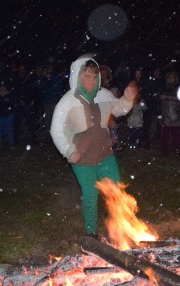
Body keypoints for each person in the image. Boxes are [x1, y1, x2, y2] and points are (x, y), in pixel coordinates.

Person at [50, 56, 137, 238]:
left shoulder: (103, 95)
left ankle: (122, 231)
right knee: (90, 196)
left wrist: (127, 100)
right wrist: (69, 150)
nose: (90, 81)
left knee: (116, 192)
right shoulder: (67, 102)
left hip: (106, 155)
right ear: (77, 76)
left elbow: (119, 109)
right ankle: (91, 234)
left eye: (94, 76)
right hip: (82, 159)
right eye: (86, 76)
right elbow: (56, 130)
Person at [158, 71, 180, 156]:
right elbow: (160, 97)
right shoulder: (165, 87)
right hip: (165, 114)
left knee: (175, 133)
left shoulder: (178, 87)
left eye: (172, 77)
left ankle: (177, 149)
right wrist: (161, 98)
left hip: (174, 113)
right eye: (169, 77)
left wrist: (167, 97)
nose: (170, 79)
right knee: (164, 133)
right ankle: (164, 149)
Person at [0, 82, 15, 148]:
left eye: (4, 86)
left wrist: (9, 110)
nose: (2, 88)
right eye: (1, 86)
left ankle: (11, 143)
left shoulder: (10, 95)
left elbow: (13, 104)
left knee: (9, 129)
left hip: (8, 115)